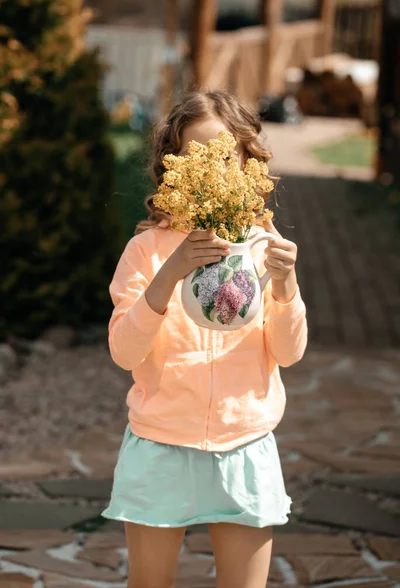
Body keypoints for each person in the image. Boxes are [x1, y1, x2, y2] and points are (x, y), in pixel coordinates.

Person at [102, 91, 308, 588]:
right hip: (160, 445)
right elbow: (124, 352)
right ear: (173, 168)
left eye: (225, 157)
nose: (212, 169)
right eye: (197, 158)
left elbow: (289, 352)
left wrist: (285, 286)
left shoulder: (262, 245)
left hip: (246, 445)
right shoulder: (146, 251)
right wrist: (167, 275)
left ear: (247, 161)